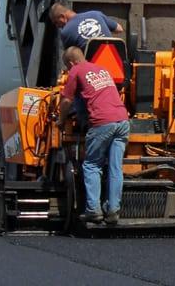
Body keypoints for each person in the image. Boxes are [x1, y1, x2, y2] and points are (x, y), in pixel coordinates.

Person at [57, 47, 130, 225]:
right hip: (122, 120)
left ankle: (93, 210)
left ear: (71, 62)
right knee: (114, 167)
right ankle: (113, 211)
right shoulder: (101, 69)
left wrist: (61, 120)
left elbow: (67, 100)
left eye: (67, 66)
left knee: (91, 165)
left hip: (102, 122)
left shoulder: (76, 70)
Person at [49, 3, 124, 50]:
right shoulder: (95, 13)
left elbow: (71, 55)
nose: (57, 26)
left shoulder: (65, 32)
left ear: (62, 17)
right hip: (114, 58)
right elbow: (119, 29)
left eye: (56, 22)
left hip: (92, 68)